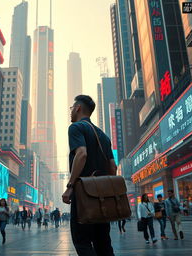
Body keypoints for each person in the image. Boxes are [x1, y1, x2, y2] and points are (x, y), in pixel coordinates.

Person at [62, 95, 117, 256]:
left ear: (78, 108)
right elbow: (112, 167)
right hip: (102, 199)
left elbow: (81, 154)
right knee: (103, 244)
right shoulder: (104, 136)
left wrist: (70, 186)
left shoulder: (76, 128)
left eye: (72, 108)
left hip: (84, 195)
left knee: (82, 241)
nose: (71, 111)